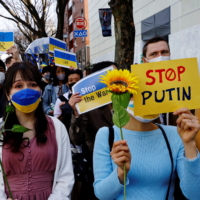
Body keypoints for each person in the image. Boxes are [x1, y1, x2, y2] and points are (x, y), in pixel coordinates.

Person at [93, 100, 200, 199]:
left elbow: (195, 194)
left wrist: (189, 143)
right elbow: (102, 194)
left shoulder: (175, 134)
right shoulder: (107, 135)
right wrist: (121, 172)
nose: (146, 100)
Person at [0, 62, 74, 200]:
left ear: (41, 90)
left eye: (33, 84)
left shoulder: (57, 127)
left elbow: (65, 177)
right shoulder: (1, 129)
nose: (26, 90)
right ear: (8, 94)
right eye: (18, 86)